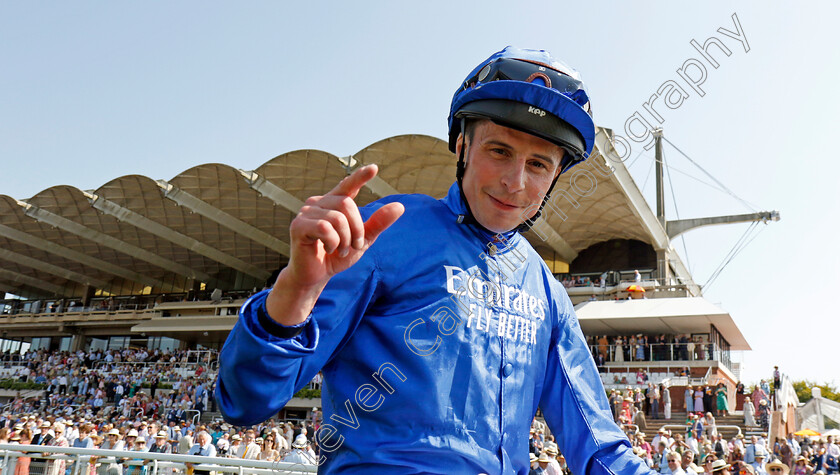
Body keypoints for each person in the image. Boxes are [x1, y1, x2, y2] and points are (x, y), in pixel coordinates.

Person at [216, 46, 655, 474]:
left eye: (539, 164)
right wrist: (297, 288)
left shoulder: (546, 290)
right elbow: (247, 402)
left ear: (555, 177)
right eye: (499, 151)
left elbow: (600, 450)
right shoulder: (389, 232)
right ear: (462, 145)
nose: (515, 182)